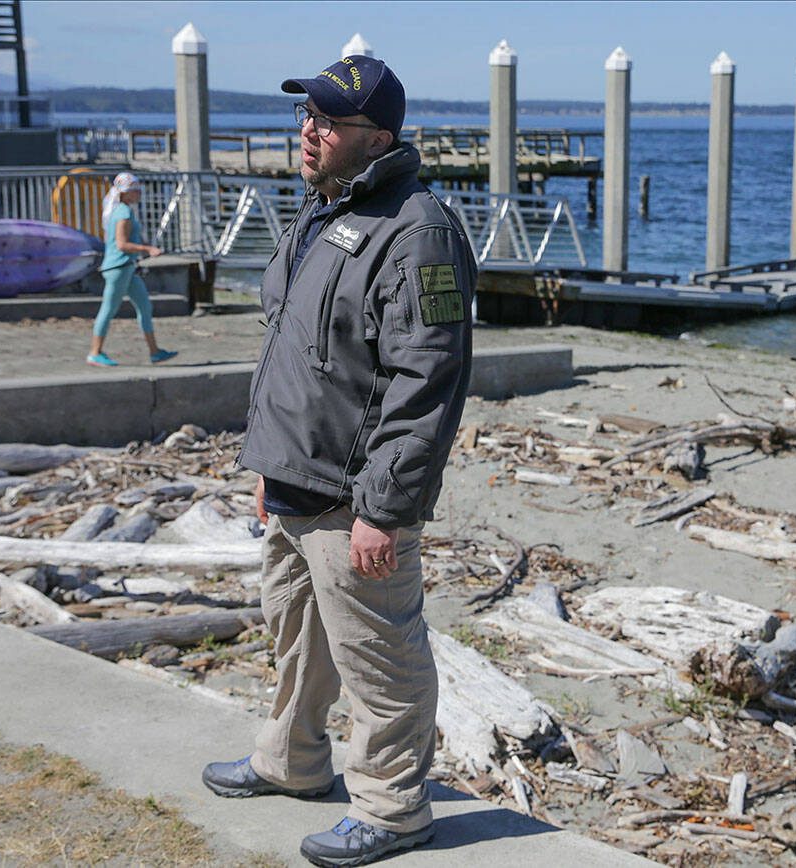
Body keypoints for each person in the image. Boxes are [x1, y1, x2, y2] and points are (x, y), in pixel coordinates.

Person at [201, 55, 475, 867]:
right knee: (298, 640)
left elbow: (425, 383)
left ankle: (393, 809)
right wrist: (267, 463)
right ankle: (293, 761)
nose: (309, 132)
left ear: (377, 137)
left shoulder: (418, 229)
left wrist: (384, 509)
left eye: (329, 121)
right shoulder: (322, 212)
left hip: (354, 499)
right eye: (305, 117)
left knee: (380, 656)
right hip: (293, 481)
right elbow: (294, 352)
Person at [86, 172, 178, 367]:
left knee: (144, 306)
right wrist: (147, 249)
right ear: (125, 193)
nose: (139, 193)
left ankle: (155, 352)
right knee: (108, 309)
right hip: (118, 268)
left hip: (127, 268)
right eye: (135, 190)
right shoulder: (123, 212)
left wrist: (143, 246)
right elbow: (121, 244)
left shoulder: (122, 210)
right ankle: (95, 352)